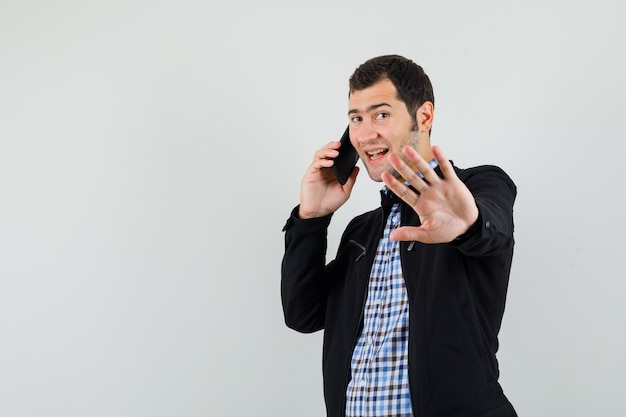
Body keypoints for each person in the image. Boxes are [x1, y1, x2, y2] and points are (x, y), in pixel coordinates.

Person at [281, 55, 517, 417]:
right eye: (356, 118)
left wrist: (468, 224)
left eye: (381, 115)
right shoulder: (362, 231)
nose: (364, 134)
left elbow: (493, 228)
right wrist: (311, 218)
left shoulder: (480, 186)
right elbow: (303, 314)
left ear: (423, 117)